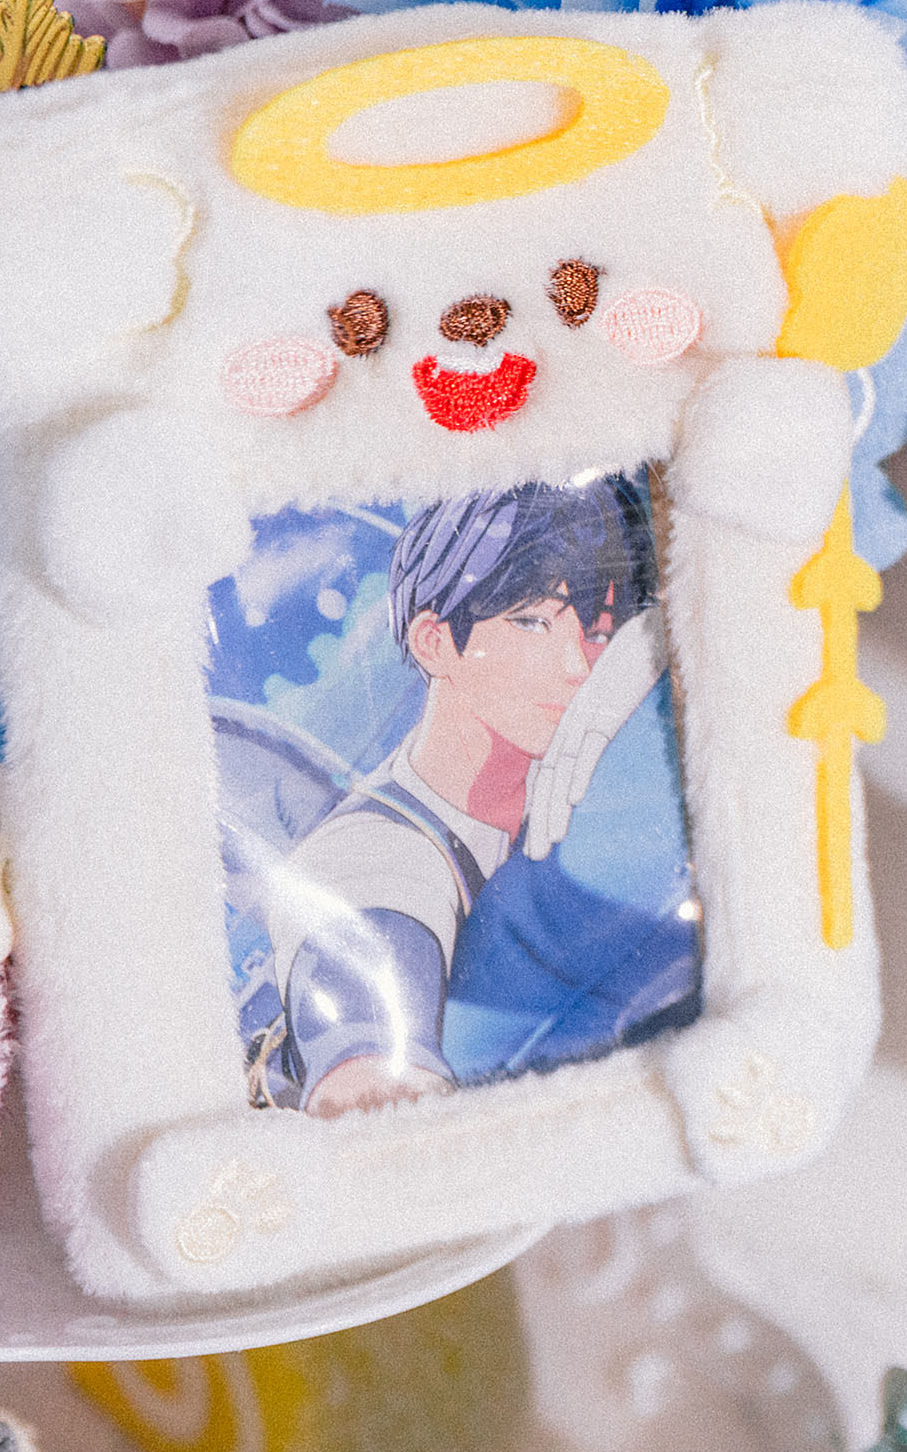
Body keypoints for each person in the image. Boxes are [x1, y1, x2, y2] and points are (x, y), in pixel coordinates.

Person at [260, 477, 674, 1115]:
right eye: (532, 622)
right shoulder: (369, 857)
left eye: (597, 633)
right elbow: (370, 1090)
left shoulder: (587, 780)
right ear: (434, 641)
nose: (577, 665)